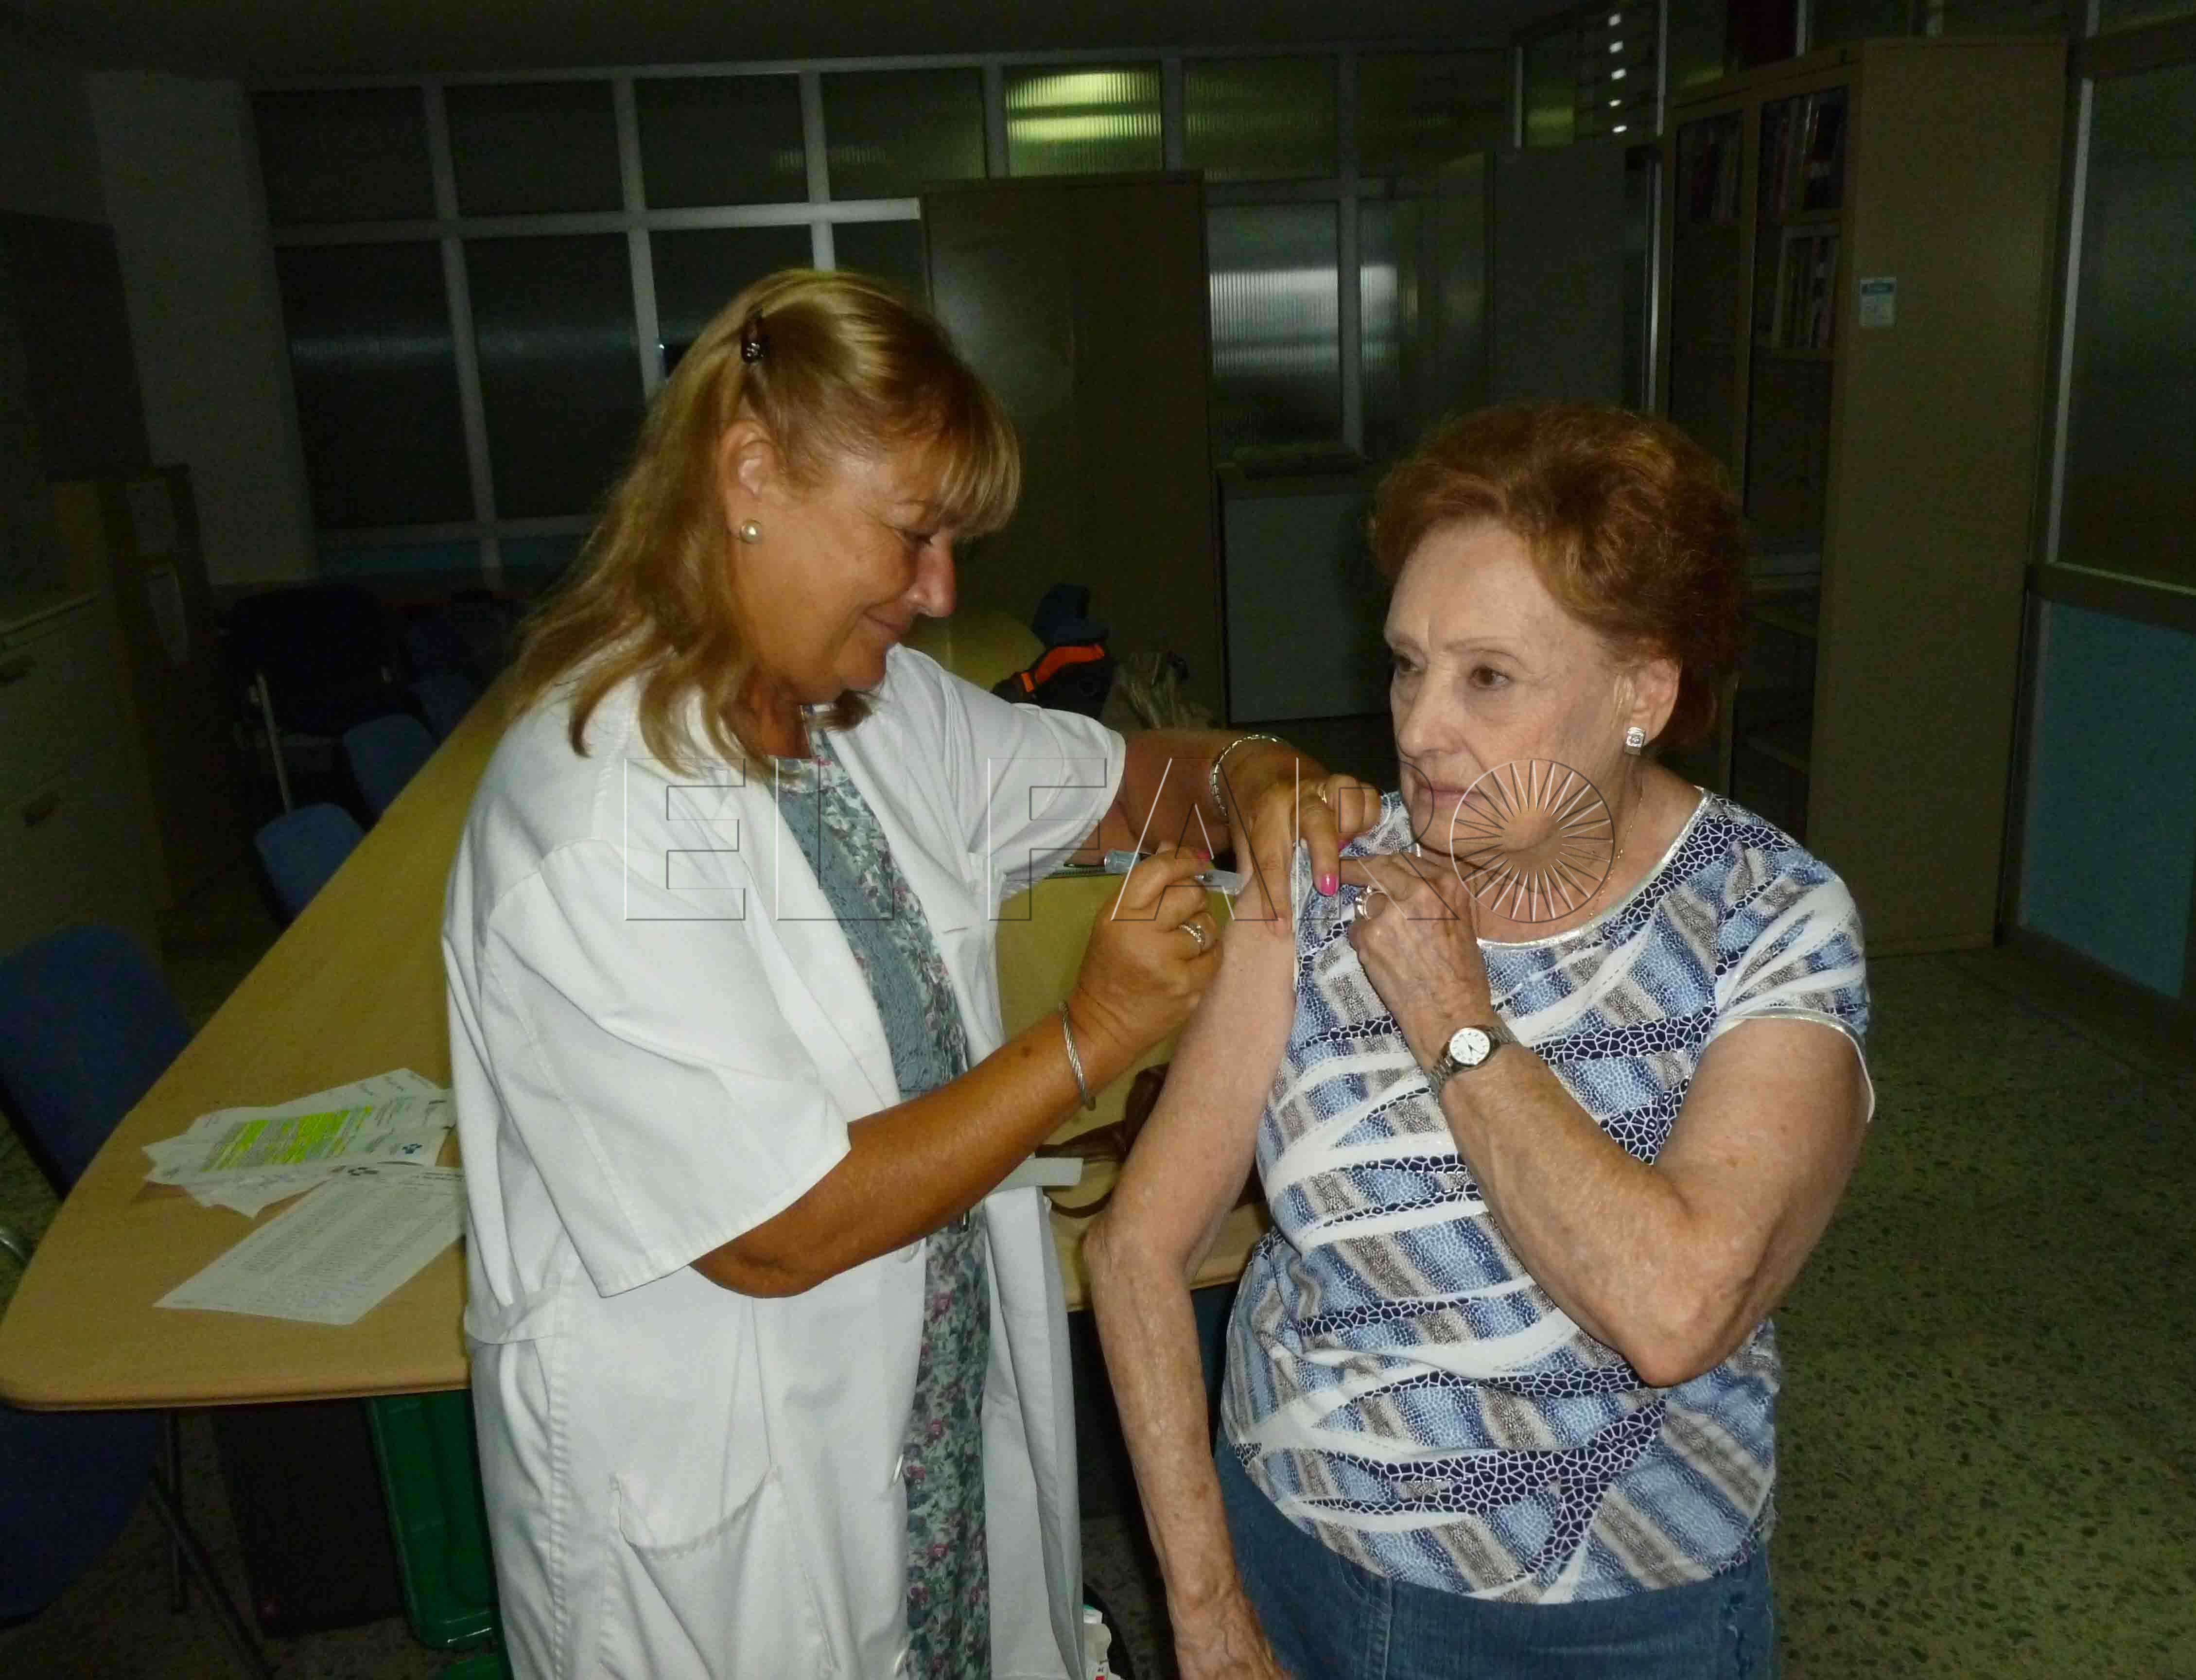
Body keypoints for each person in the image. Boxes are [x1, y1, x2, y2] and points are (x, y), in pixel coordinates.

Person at [441, 269, 1379, 1680]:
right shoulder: (594, 814)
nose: (943, 591)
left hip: (930, 1408)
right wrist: (1088, 1041)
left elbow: (1129, 786)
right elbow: (776, 1231)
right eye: (915, 534)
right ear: (750, 472)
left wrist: (1254, 777)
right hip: (733, 1471)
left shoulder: (863, 713)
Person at [1086, 405, 1873, 1678]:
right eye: (1408, 663)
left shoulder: (1767, 920)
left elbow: (1674, 1312)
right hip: (1286, 1555)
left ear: (1643, 693)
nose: (1417, 728)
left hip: (1605, 1619)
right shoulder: (1327, 872)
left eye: (1487, 678)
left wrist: (1457, 1021)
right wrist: (1207, 1611)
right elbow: (1135, 1248)